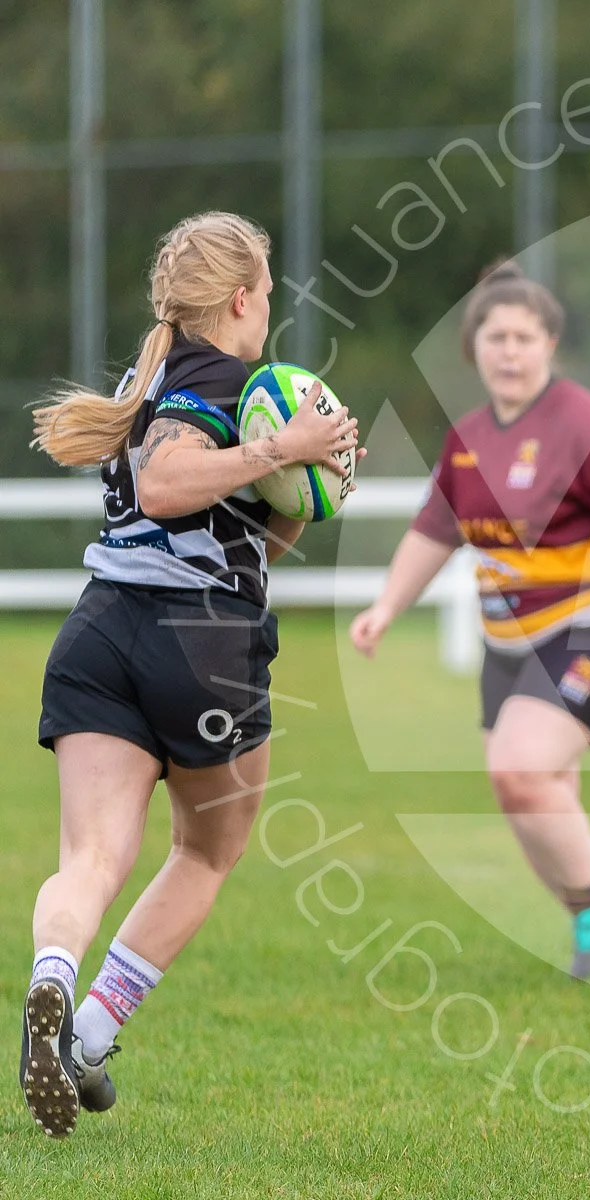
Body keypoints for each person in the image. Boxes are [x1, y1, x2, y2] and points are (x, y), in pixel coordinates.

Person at [23, 211, 360, 1139]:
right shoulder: (223, 374)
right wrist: (280, 452)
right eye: (269, 296)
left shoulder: (151, 374)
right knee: (208, 852)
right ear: (244, 298)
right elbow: (174, 484)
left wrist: (309, 488)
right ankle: (87, 1037)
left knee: (89, 859)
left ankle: (52, 978)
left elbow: (241, 532)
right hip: (198, 643)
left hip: (99, 634)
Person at [349, 262, 590, 980]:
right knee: (539, 799)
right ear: (473, 348)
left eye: (524, 337)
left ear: (550, 345)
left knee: (519, 772)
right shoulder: (469, 436)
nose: (509, 351)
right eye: (495, 337)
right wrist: (386, 607)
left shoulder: (579, 422)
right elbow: (434, 531)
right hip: (507, 646)